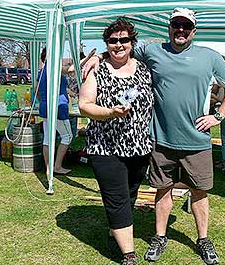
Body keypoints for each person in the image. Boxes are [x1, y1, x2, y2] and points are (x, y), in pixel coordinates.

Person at [83, 7, 225, 265]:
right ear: (169, 27)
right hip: (160, 140)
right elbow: (122, 50)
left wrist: (218, 116)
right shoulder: (153, 51)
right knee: (162, 189)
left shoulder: (209, 56)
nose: (181, 29)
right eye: (176, 24)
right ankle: (159, 237)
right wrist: (98, 56)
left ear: (193, 31)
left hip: (197, 140)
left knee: (199, 192)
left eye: (186, 26)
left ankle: (203, 239)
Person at [79, 17, 154, 265]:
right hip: (105, 147)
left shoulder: (145, 68)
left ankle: (116, 231)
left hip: (139, 147)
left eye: (124, 40)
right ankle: (129, 255)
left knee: (130, 193)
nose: (118, 45)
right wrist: (110, 112)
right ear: (106, 43)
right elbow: (85, 106)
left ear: (132, 42)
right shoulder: (97, 70)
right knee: (116, 197)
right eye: (112, 41)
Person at [36, 48, 72, 175]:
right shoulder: (55, 68)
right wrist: (89, 58)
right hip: (58, 107)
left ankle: (48, 168)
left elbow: (36, 90)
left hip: (45, 107)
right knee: (67, 137)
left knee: (47, 139)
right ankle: (57, 167)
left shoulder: (41, 72)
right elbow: (71, 69)